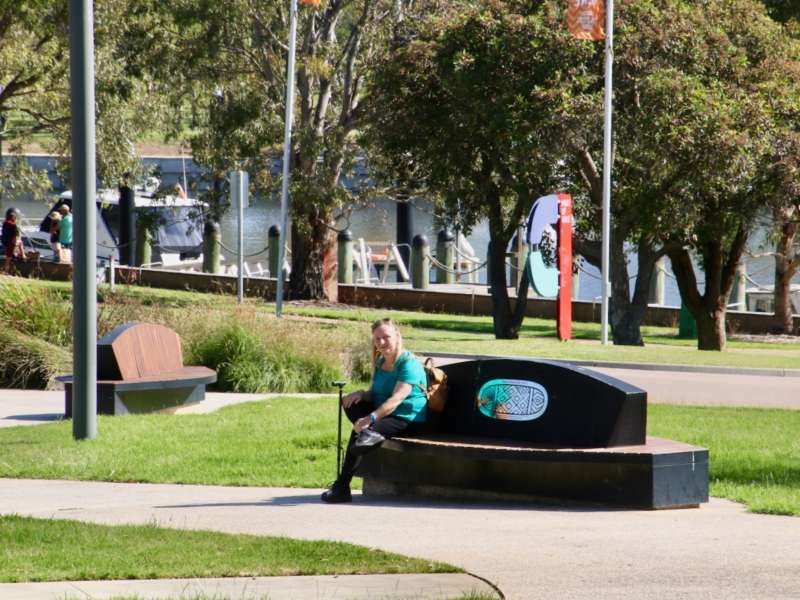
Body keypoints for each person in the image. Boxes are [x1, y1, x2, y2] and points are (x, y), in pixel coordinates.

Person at [322, 318, 429, 503]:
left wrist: (371, 418)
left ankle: (341, 488)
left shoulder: (408, 364)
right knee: (353, 406)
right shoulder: (381, 362)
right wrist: (361, 394)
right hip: (384, 414)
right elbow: (375, 394)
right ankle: (368, 436)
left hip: (407, 418)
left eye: (385, 337)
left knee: (361, 431)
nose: (381, 342)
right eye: (377, 339)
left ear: (397, 336)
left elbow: (396, 399)